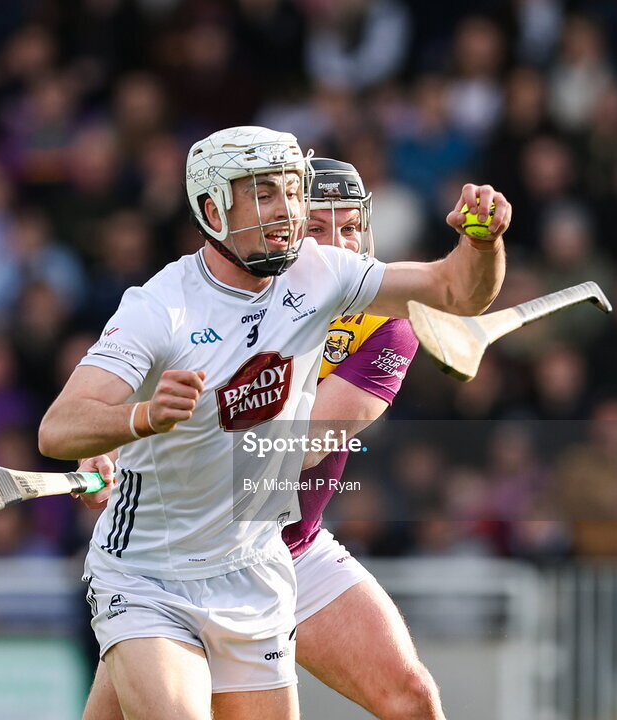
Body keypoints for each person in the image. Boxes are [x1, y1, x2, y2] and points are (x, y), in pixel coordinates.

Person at [38, 126, 509, 720]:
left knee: (411, 698)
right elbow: (59, 428)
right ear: (212, 209)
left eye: (291, 193)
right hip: (154, 568)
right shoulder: (159, 306)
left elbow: (455, 291)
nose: (286, 214)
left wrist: (482, 243)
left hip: (262, 555)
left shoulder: (333, 284)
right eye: (265, 196)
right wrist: (134, 422)